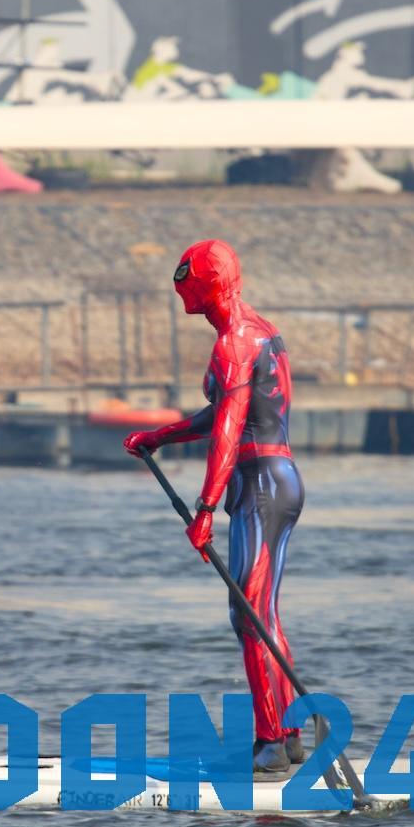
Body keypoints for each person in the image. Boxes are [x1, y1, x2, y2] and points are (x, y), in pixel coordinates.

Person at [121, 240, 305, 776]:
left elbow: (227, 429)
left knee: (248, 615)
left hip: (260, 483)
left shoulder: (234, 342)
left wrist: (204, 509)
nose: (181, 292)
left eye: (185, 282)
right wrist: (159, 437)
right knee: (261, 612)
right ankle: (289, 736)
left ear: (203, 285)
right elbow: (223, 412)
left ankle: (271, 743)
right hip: (276, 479)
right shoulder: (258, 330)